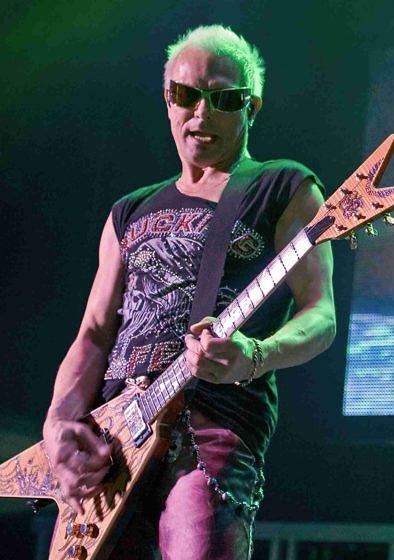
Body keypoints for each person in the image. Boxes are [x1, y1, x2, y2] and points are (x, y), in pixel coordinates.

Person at [41, 25, 336, 559]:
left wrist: (255, 355)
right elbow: (94, 333)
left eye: (224, 99)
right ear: (167, 100)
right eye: (186, 94)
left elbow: (321, 314)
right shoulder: (129, 210)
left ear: (252, 108)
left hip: (211, 424)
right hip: (113, 440)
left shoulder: (283, 185)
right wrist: (59, 423)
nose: (202, 113)